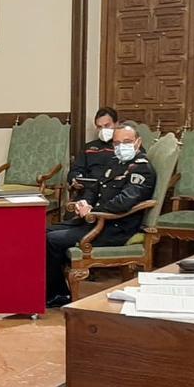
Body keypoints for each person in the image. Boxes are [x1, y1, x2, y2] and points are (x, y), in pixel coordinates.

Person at [45, 122, 156, 308]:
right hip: (95, 221)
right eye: (116, 143)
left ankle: (57, 294)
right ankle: (53, 291)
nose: (121, 147)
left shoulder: (141, 169)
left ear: (138, 142)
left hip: (115, 228)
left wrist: (93, 211)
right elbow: (94, 188)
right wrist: (85, 201)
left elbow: (124, 202)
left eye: (127, 142)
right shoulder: (114, 162)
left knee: (52, 240)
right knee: (43, 232)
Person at [66, 107, 119, 198]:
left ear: (116, 124)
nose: (103, 130)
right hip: (89, 191)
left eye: (107, 125)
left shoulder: (126, 146)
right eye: (99, 127)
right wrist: (75, 179)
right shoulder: (88, 147)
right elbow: (75, 170)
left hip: (114, 191)